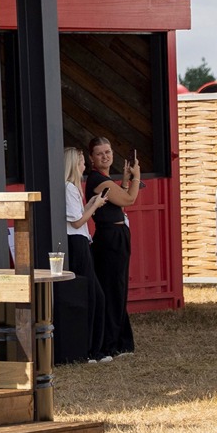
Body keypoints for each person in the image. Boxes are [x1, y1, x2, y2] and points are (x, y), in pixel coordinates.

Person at [83, 136, 141, 357]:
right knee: (113, 289)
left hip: (116, 236)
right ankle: (111, 343)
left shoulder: (105, 179)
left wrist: (125, 182)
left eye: (107, 152)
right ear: (91, 158)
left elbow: (119, 204)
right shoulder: (98, 180)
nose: (105, 156)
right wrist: (136, 177)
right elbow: (129, 200)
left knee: (117, 288)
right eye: (99, 153)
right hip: (110, 238)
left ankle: (119, 341)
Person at [60, 146, 117, 363]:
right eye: (82, 162)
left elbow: (77, 217)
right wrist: (95, 206)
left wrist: (92, 203)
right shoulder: (69, 188)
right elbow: (77, 222)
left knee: (93, 295)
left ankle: (92, 349)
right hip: (77, 242)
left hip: (81, 241)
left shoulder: (72, 188)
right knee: (93, 296)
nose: (85, 166)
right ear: (75, 165)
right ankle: (92, 350)